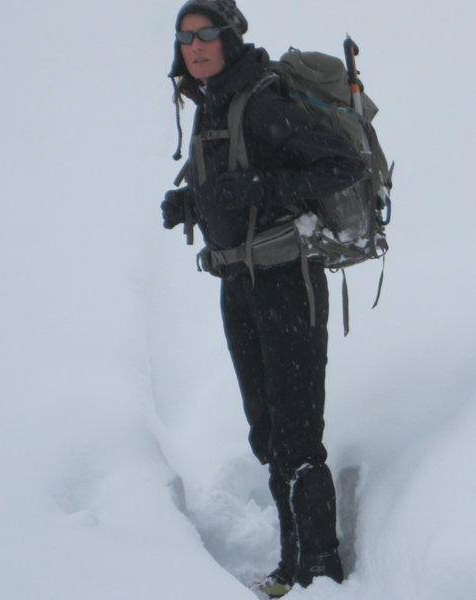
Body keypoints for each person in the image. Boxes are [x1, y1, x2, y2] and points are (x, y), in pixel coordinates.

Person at [162, 0, 365, 595]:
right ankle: (291, 562)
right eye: (184, 38)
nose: (194, 47)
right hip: (239, 288)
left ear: (228, 38)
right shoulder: (211, 102)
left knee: (298, 433)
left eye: (204, 35)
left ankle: (321, 570)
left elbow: (342, 164)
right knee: (266, 433)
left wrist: (255, 186)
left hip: (287, 282)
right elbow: (231, 183)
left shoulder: (263, 99)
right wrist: (192, 204)